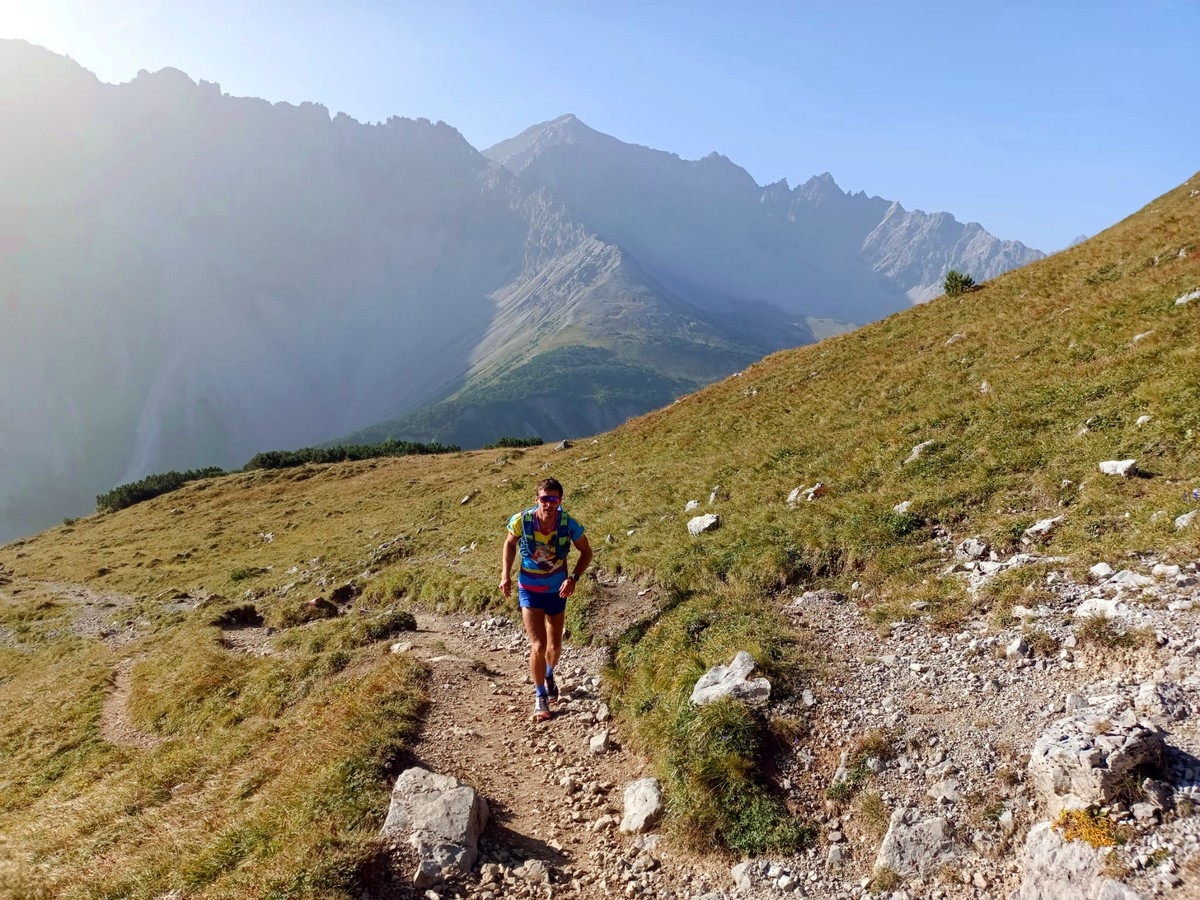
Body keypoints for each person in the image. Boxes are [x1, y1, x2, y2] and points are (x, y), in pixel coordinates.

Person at [500, 477, 592, 721]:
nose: (549, 504)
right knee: (538, 645)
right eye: (544, 499)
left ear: (559, 501)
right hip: (529, 588)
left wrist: (573, 577)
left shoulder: (568, 524)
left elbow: (587, 552)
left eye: (554, 499)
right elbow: (509, 544)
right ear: (536, 499)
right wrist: (505, 575)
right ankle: (540, 694)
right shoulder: (522, 520)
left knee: (555, 646)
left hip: (557, 589)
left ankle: (549, 673)